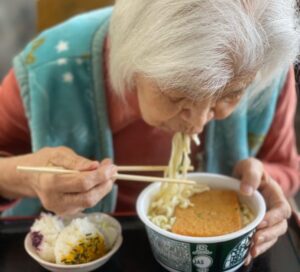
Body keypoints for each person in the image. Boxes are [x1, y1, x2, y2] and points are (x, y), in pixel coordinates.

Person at [0, 0, 299, 264]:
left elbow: (286, 167)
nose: (197, 124)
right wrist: (28, 178)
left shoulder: (263, 63)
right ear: (133, 59)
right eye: (178, 97)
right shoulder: (47, 70)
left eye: (229, 95)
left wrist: (263, 186)